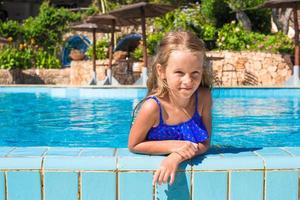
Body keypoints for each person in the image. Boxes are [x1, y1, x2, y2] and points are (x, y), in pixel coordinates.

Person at [128, 31, 213, 186]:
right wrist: (175, 145)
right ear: (161, 72)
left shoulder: (203, 98)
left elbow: (206, 143)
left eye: (195, 73)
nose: (188, 81)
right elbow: (133, 145)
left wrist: (177, 156)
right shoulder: (153, 107)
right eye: (179, 73)